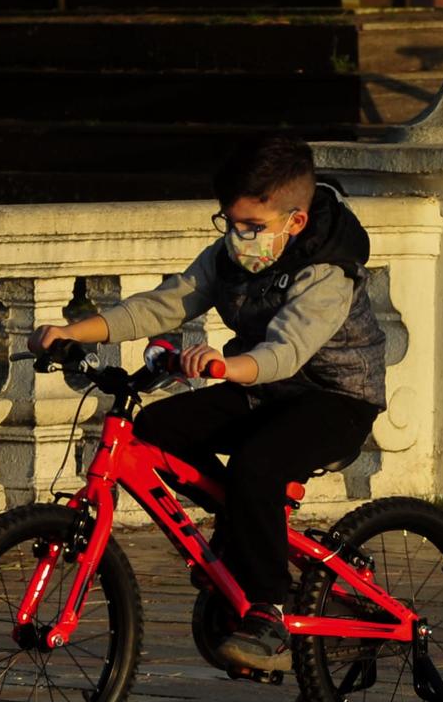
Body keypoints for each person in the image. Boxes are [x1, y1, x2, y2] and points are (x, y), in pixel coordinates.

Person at [29, 134, 385, 672]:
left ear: (295, 221)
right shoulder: (226, 257)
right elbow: (163, 304)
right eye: (229, 222)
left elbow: (286, 351)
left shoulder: (327, 270)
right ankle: (242, 535)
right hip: (264, 388)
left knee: (257, 464)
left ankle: (269, 609)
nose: (238, 237)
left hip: (335, 398)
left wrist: (224, 367)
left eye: (251, 227)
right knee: (153, 430)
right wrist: (71, 332)